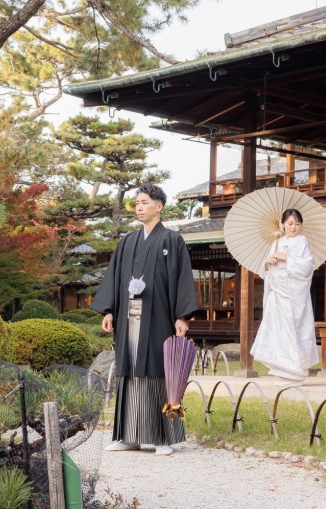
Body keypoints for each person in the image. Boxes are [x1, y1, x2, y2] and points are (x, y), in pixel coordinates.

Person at [91, 183, 198, 456]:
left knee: (157, 369)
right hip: (129, 317)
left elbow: (182, 279)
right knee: (129, 369)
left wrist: (181, 316)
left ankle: (162, 437)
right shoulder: (128, 241)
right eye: (137, 203)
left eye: (145, 202)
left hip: (159, 316)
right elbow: (114, 278)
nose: (139, 207)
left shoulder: (172, 241)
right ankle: (129, 436)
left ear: (159, 206)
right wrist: (108, 310)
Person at [251, 208, 319, 388]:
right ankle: (282, 370)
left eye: (297, 224)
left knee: (292, 330)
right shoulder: (277, 241)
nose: (293, 227)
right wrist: (269, 262)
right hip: (277, 292)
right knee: (276, 331)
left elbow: (308, 266)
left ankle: (295, 373)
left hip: (293, 296)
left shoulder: (302, 241)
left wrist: (284, 257)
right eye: (290, 223)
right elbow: (266, 268)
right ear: (283, 224)